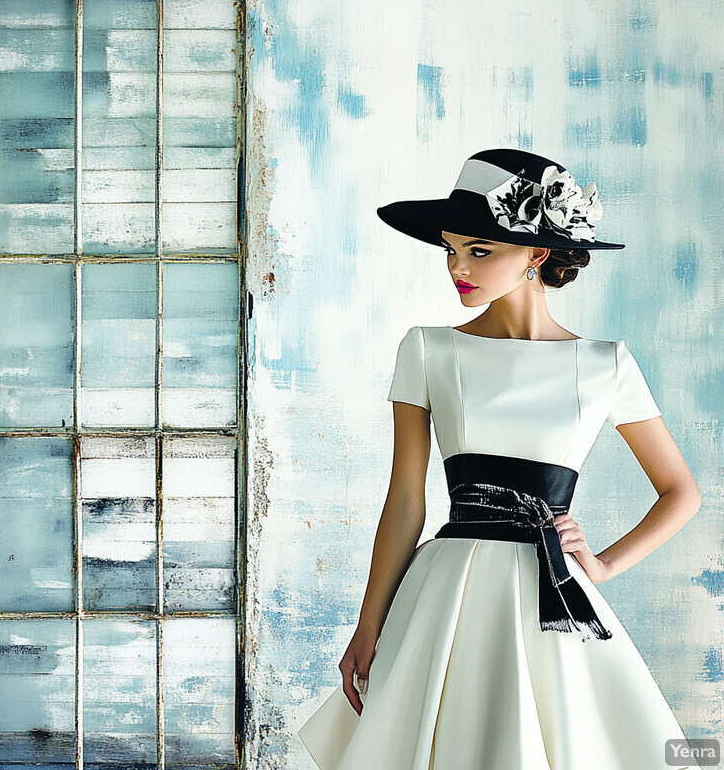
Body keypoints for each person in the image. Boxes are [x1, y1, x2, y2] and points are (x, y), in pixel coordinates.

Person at [296, 148, 703, 769]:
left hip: (553, 596)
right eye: (451, 250)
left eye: (479, 251)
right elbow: (407, 498)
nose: (458, 267)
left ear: (537, 254)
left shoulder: (604, 364)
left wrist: (605, 565)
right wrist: (366, 625)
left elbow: (681, 491)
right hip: (446, 595)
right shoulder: (429, 350)